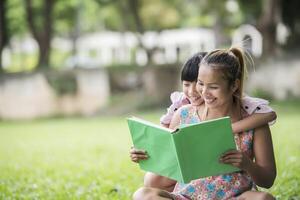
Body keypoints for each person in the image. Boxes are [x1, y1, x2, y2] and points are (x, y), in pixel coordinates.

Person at [131, 47, 276, 199]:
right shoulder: (184, 115)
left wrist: (246, 164)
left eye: (213, 87)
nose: (204, 92)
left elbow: (268, 180)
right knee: (142, 195)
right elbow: (167, 162)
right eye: (200, 83)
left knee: (264, 198)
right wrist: (146, 154)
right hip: (187, 196)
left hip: (235, 196)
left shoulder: (253, 123)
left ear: (234, 86)